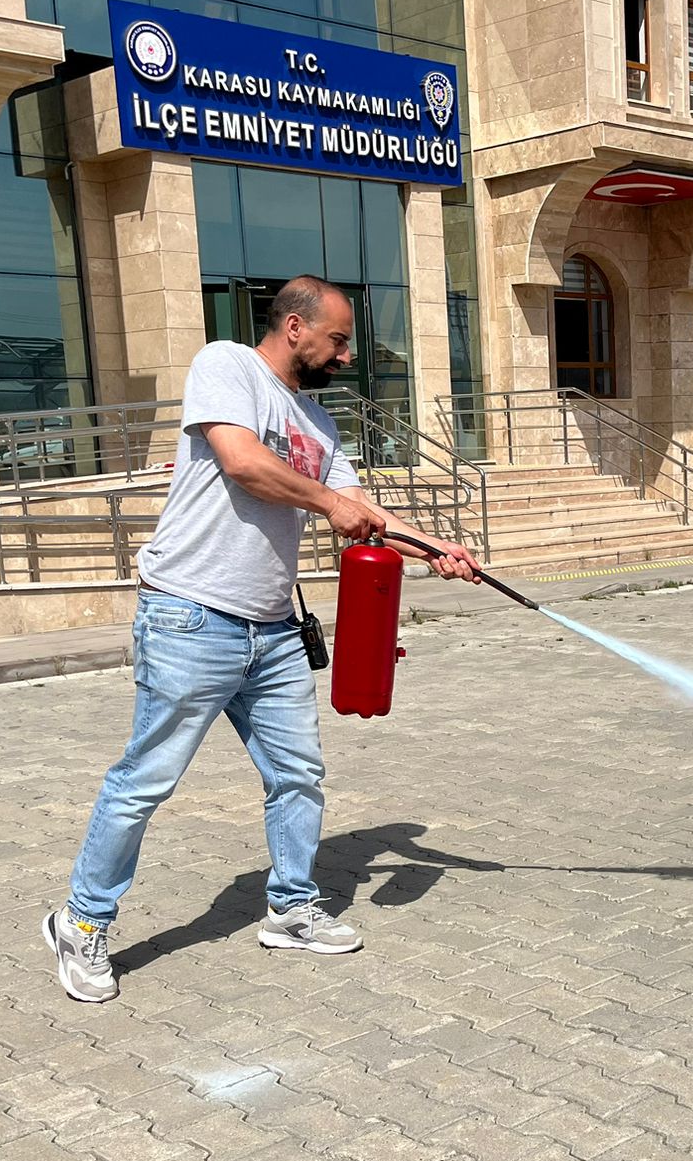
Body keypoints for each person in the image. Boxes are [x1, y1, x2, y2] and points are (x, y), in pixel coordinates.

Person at [45, 276, 480, 1002]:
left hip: (274, 630)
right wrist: (330, 502)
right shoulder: (227, 364)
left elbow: (361, 509)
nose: (345, 356)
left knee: (298, 775)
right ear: (296, 327)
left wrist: (434, 547)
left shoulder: (317, 422)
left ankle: (290, 907)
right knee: (145, 783)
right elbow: (244, 463)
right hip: (192, 616)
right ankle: (82, 924)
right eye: (338, 340)